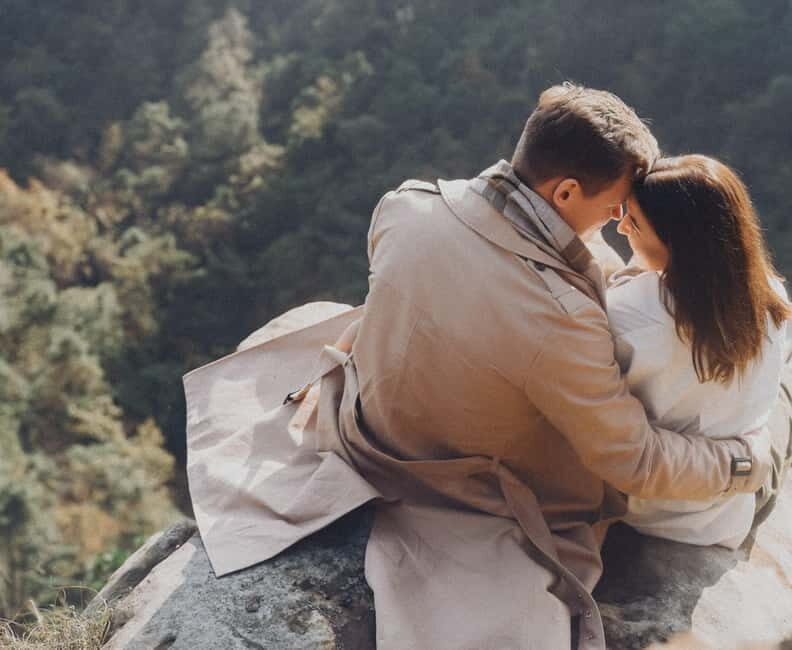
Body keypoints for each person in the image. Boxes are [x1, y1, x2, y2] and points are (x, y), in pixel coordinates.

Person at [183, 83, 775, 650]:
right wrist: (745, 462)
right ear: (565, 193)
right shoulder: (563, 319)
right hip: (459, 485)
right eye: (614, 206)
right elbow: (635, 459)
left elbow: (502, 264)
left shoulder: (406, 204)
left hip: (360, 422)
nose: (617, 220)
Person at [604, 155, 791, 549]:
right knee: (783, 398)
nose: (621, 227)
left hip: (643, 505)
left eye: (633, 221)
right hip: (727, 507)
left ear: (679, 244)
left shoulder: (625, 313)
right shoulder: (771, 296)